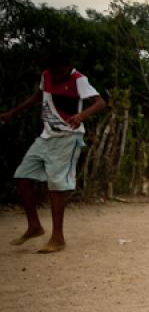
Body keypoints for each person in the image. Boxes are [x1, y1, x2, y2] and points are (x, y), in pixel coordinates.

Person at [2, 56, 106, 253]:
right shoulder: (47, 75)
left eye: (60, 71)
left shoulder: (79, 80)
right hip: (46, 137)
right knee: (23, 177)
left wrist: (82, 115)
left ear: (68, 67)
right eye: (54, 71)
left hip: (68, 137)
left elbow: (100, 103)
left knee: (56, 185)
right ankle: (34, 226)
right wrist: (12, 112)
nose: (56, 76)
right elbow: (38, 96)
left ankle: (58, 238)